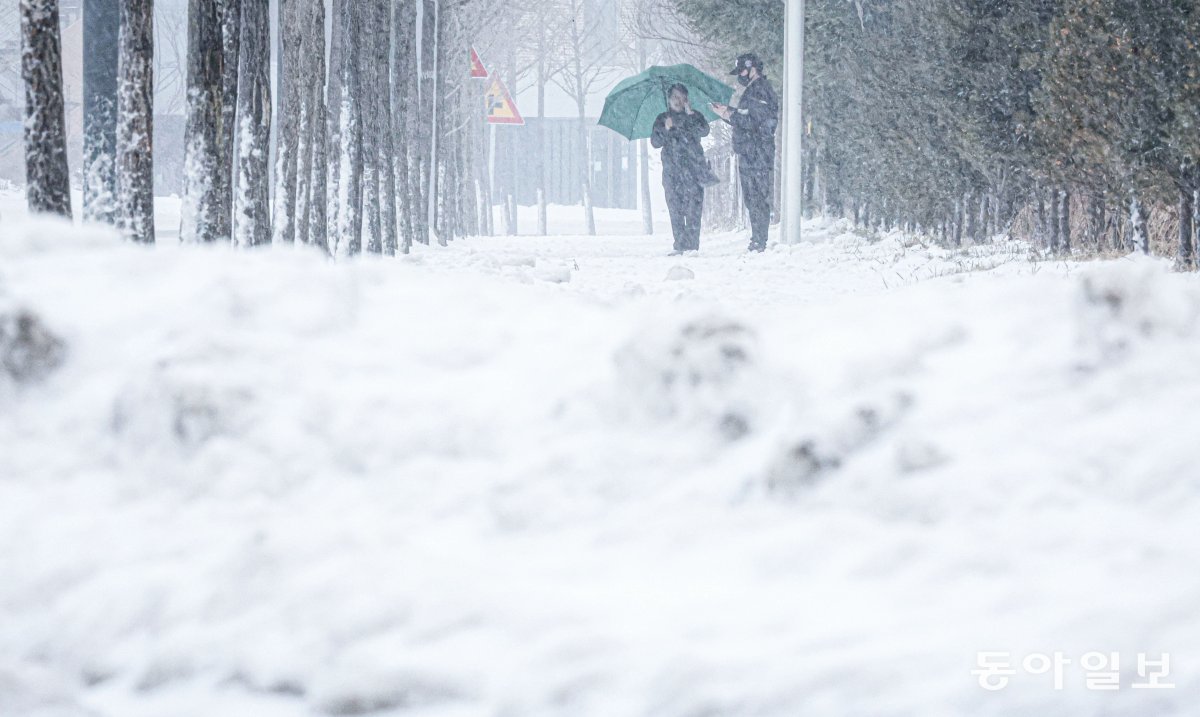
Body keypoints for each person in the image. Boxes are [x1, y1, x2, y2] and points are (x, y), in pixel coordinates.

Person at [711, 53, 779, 253]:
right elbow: (746, 117)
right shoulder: (753, 91)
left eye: (741, 70)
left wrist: (729, 114)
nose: (740, 75)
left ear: (752, 69)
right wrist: (728, 112)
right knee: (753, 198)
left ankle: (760, 241)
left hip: (757, 153)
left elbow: (754, 122)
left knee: (757, 197)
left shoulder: (760, 91)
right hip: (751, 152)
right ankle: (757, 239)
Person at [651, 84, 711, 254]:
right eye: (674, 97)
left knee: (693, 208)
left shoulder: (694, 116)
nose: (678, 101)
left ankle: (692, 246)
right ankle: (679, 244)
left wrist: (691, 114)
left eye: (681, 97)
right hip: (672, 172)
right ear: (669, 99)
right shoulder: (662, 119)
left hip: (693, 170)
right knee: (675, 208)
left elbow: (704, 131)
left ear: (686, 99)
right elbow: (655, 142)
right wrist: (665, 129)